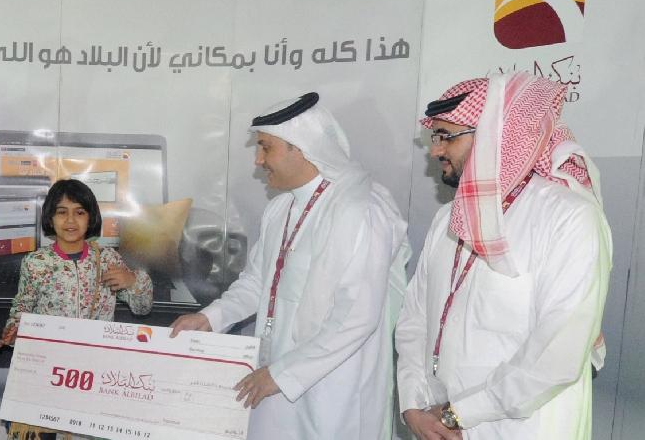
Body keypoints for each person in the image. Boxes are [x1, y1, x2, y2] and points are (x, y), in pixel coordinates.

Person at [170, 92, 410, 440]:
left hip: (335, 390)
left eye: (265, 147)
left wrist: (283, 374)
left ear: (301, 147)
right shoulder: (280, 209)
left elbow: (356, 318)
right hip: (274, 376)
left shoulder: (360, 210)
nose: (258, 161)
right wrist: (211, 318)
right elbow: (257, 282)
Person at [395, 73, 612, 440]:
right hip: (439, 422)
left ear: (495, 136)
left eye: (447, 136)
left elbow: (557, 352)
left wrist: (457, 414)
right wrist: (414, 405)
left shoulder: (569, 218)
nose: (436, 151)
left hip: (522, 428)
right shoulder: (447, 219)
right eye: (435, 137)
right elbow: (414, 319)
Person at [0, 178, 153, 440]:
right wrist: (14, 330)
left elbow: (142, 307)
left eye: (79, 212)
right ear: (50, 218)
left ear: (91, 217)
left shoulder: (107, 259)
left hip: (96, 371)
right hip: (49, 372)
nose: (70, 220)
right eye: (62, 212)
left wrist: (133, 281)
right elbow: (22, 306)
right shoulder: (36, 262)